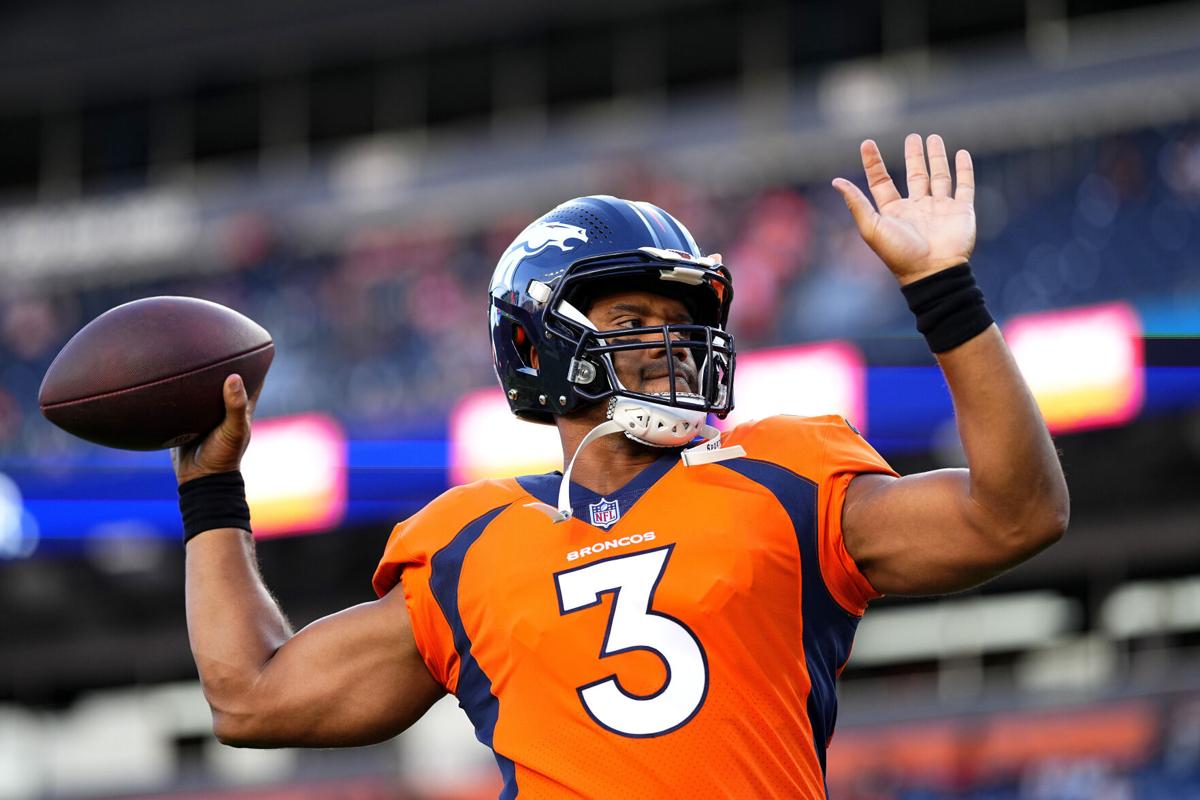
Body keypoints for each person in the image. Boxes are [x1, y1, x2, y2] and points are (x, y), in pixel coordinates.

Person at [173, 134, 1069, 799]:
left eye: (683, 318)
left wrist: (944, 291)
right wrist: (211, 491)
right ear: (537, 344)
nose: (672, 344)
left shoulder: (781, 474)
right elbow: (250, 698)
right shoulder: (469, 542)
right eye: (634, 318)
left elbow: (1016, 515)